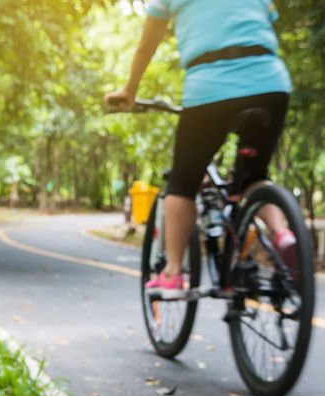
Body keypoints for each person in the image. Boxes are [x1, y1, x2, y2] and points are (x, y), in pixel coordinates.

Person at [105, 0, 296, 293]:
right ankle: (283, 234)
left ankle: (172, 273)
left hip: (210, 88)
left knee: (183, 183)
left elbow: (146, 45)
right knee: (254, 177)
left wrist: (129, 91)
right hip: (269, 84)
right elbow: (264, 23)